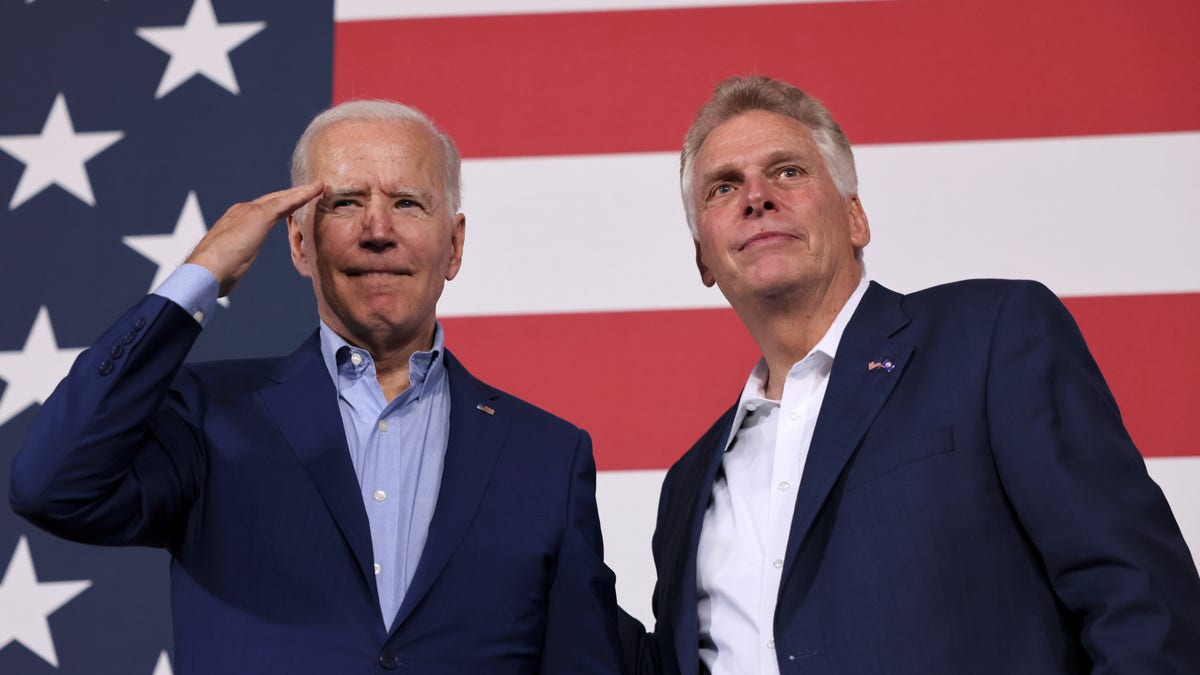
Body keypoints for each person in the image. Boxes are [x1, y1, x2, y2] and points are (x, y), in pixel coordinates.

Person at [10, 100, 623, 674]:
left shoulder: (548, 454)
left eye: (408, 203)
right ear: (300, 243)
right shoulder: (209, 417)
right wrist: (199, 276)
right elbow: (51, 485)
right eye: (346, 203)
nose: (378, 230)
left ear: (454, 245)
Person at [619, 75, 1200, 674]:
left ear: (855, 218)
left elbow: (1140, 599)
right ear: (702, 259)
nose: (756, 196)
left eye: (788, 171)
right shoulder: (687, 486)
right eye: (722, 187)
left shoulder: (990, 338)